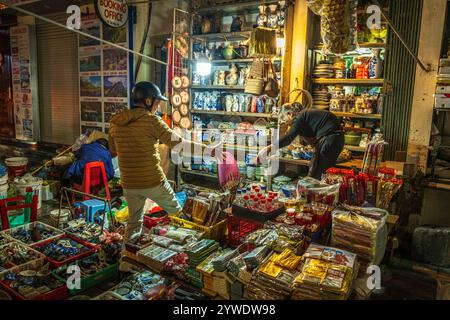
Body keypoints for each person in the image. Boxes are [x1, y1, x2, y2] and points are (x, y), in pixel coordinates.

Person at [108, 81, 217, 247]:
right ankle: (189, 250)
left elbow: (113, 150)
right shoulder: (151, 121)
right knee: (177, 214)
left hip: (129, 183)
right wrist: (208, 150)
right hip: (153, 181)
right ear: (148, 101)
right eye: (157, 102)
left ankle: (126, 262)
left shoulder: (116, 123)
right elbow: (179, 144)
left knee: (134, 222)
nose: (158, 106)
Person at [258, 108, 344, 180]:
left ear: (289, 114)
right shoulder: (305, 117)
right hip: (335, 139)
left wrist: (268, 148)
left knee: (321, 175)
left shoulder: (299, 118)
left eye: (285, 121)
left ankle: (319, 198)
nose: (287, 124)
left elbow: (288, 138)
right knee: (319, 173)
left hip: (332, 139)